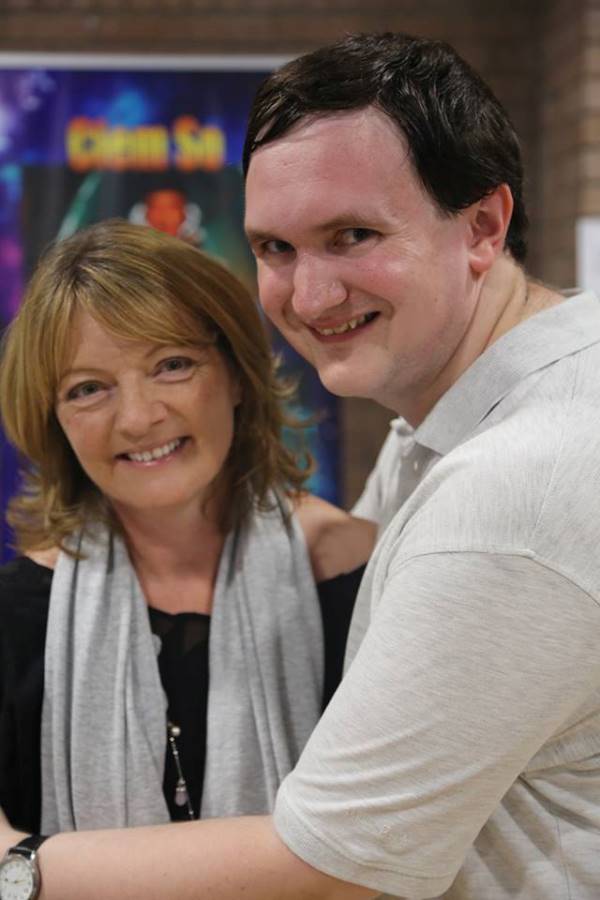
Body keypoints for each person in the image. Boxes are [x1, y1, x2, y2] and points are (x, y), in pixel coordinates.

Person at [1, 30, 600, 900]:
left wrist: (18, 865)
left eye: (352, 234)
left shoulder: (499, 496)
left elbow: (334, 861)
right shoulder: (440, 429)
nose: (310, 296)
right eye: (275, 249)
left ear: (483, 225)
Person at [0, 219, 374, 839]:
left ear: (237, 375)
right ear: (54, 420)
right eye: (88, 389)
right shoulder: (13, 620)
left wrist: (23, 862)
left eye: (172, 365)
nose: (138, 418)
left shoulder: (361, 577)